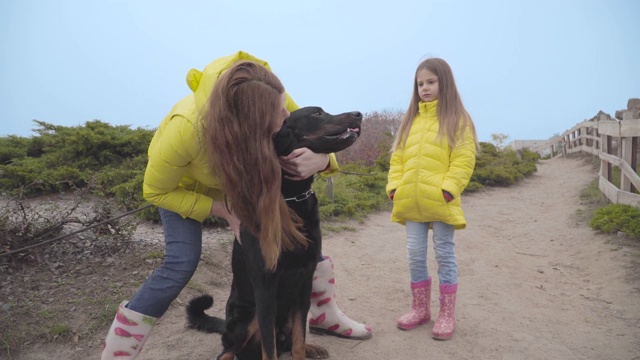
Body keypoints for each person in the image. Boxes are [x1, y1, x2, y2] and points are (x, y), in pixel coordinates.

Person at [101, 51, 371, 360]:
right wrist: (223, 210)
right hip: (182, 190)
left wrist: (323, 161)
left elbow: (306, 132)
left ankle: (323, 315)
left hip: (239, 183)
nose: (284, 116)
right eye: (278, 115)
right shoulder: (185, 128)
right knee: (181, 262)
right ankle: (118, 351)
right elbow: (155, 190)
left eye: (285, 107)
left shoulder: (268, 91)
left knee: (303, 244)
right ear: (248, 121)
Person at [386, 57, 478, 341]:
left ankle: (447, 314)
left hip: (441, 201)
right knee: (415, 254)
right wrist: (394, 187)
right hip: (411, 202)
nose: (424, 88)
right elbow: (398, 157)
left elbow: (463, 159)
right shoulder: (410, 120)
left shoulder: (457, 119)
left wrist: (448, 190)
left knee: (444, 254)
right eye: (420, 83)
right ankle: (420, 310)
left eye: (431, 82)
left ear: (444, 83)